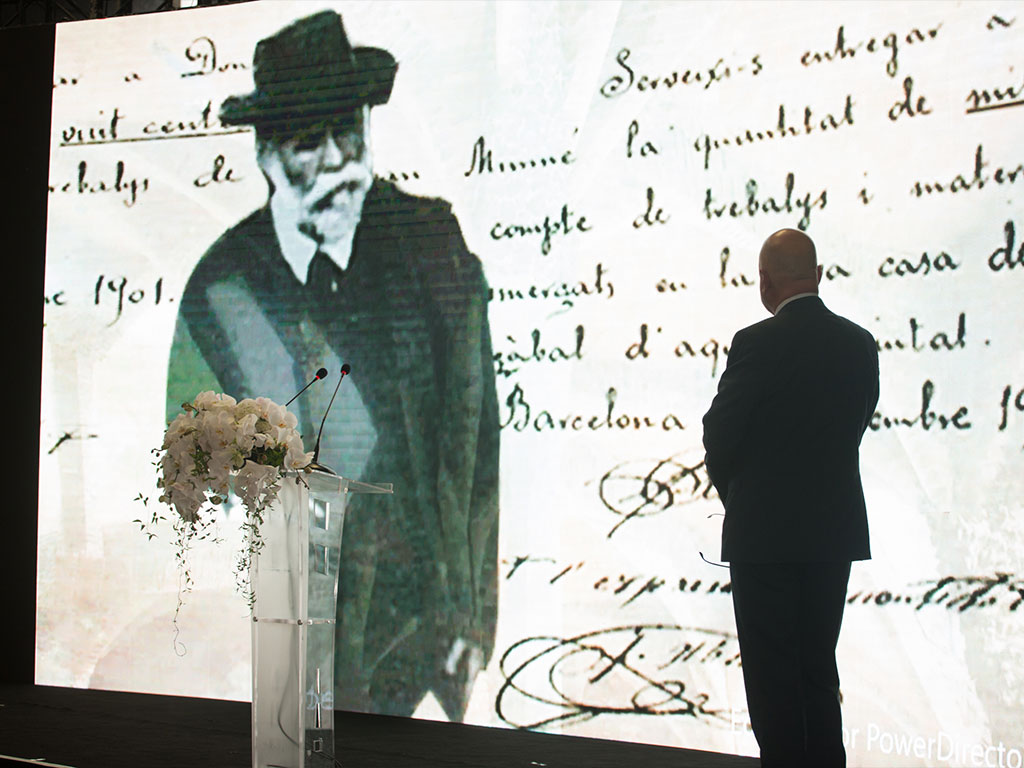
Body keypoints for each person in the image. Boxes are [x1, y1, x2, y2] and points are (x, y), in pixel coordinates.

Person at [166, 10, 500, 721]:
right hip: (296, 635)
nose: (339, 164)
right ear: (266, 155)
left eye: (349, 134)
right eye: (309, 144)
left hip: (426, 629)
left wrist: (472, 612)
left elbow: (477, 444)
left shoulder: (433, 245)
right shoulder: (220, 289)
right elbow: (195, 487)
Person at [701, 229, 879, 767]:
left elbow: (719, 432)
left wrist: (741, 497)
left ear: (766, 280)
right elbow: (856, 423)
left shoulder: (757, 342)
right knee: (817, 672)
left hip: (766, 539)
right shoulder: (859, 342)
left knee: (774, 683)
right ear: (818, 276)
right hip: (833, 533)